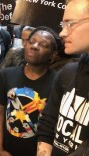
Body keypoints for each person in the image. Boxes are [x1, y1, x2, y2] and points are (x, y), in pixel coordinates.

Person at [0, 26, 61, 156]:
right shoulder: (6, 75)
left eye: (43, 44)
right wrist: (0, 149)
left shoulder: (59, 82)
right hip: (7, 150)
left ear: (53, 55)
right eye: (31, 41)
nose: (34, 46)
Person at [37, 0, 89, 155]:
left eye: (70, 23)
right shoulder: (67, 72)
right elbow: (47, 125)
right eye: (63, 24)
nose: (62, 33)